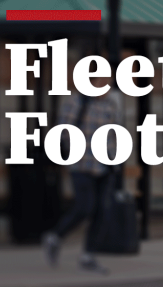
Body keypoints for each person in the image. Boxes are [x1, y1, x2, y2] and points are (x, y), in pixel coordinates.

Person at [42, 75, 122, 274]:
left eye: (108, 83)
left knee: (102, 211)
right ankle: (55, 236)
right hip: (81, 165)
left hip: (105, 166)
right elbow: (62, 131)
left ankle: (88, 255)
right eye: (102, 83)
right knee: (85, 207)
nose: (106, 87)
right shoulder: (75, 103)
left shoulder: (110, 105)